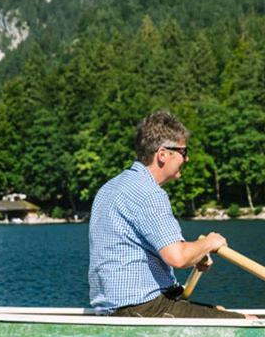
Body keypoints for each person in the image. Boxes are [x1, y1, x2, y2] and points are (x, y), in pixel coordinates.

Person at [88, 111, 253, 319]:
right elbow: (177, 257)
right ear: (163, 154)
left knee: (219, 311)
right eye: (183, 151)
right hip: (142, 308)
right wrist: (210, 242)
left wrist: (196, 256)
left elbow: (138, 248)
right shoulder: (149, 193)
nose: (187, 158)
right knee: (245, 322)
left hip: (115, 309)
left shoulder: (110, 188)